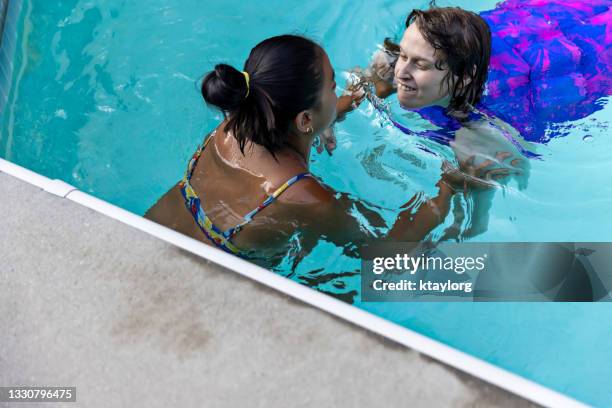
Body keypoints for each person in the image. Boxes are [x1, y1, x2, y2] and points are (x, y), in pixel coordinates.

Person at [144, 35, 498, 267]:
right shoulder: (301, 195)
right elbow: (383, 258)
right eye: (332, 87)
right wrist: (450, 184)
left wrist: (366, 93)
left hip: (143, 236)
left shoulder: (236, 121)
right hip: (192, 284)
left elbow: (309, 116)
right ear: (303, 119)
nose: (337, 90)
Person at [328, 6, 530, 239]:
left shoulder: (482, 132)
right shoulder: (394, 66)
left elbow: (476, 227)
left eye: (421, 65)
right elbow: (358, 89)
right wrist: (325, 118)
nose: (400, 72)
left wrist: (461, 184)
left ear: (464, 78)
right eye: (403, 55)